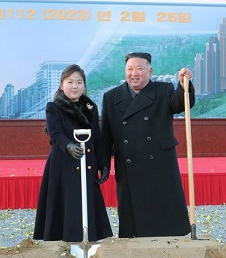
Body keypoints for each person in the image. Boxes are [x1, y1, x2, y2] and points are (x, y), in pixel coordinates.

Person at [101, 52, 195, 238]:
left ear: (150, 71)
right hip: (129, 165)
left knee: (165, 214)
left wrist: (184, 85)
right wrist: (103, 164)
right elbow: (106, 135)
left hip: (160, 162)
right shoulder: (112, 97)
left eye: (139, 69)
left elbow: (181, 103)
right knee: (132, 220)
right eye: (130, 69)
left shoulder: (164, 90)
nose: (134, 73)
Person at [34, 64, 113, 242]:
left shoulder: (90, 107)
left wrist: (104, 164)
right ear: (62, 85)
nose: (74, 86)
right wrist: (69, 146)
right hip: (64, 164)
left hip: (87, 163)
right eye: (70, 82)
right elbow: (56, 133)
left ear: (84, 85)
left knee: (87, 202)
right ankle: (64, 240)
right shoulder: (54, 107)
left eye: (79, 82)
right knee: (66, 203)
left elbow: (97, 138)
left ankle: (88, 239)